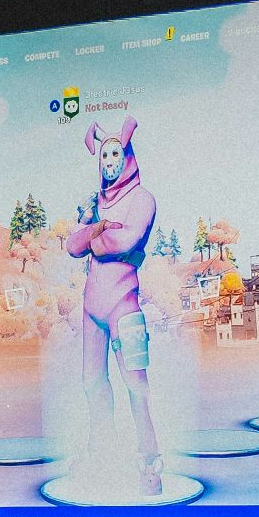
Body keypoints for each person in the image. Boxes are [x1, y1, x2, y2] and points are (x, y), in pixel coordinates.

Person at [66, 117, 162, 495]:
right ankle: (100, 452)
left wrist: (94, 233)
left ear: (127, 155)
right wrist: (95, 230)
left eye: (114, 152)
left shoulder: (142, 199)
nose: (108, 159)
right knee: (92, 383)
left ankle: (149, 463)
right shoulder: (96, 202)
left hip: (124, 306)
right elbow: (72, 246)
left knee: (136, 386)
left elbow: (124, 241)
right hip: (92, 308)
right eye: (103, 153)